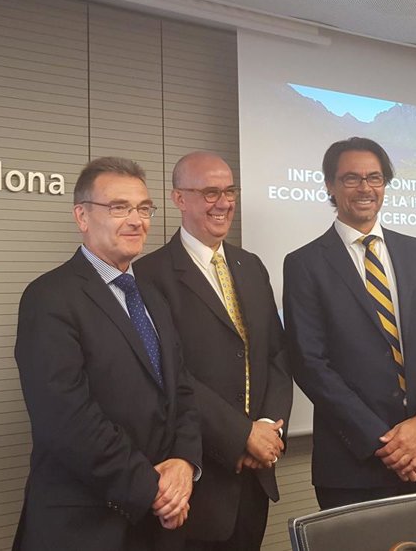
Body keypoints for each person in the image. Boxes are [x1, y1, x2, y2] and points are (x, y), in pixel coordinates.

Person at [13, 156, 201, 551]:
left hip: (160, 523)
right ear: (82, 216)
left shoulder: (153, 296)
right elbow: (66, 418)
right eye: (119, 208)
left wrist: (184, 463)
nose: (136, 220)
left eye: (144, 208)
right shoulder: (49, 298)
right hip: (86, 525)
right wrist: (153, 488)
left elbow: (181, 390)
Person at [282, 137, 416, 511]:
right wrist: (389, 444)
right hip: (356, 464)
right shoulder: (304, 264)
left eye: (375, 177)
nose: (365, 188)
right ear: (330, 185)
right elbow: (310, 364)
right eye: (351, 178)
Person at [137, 151, 293, 551]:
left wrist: (267, 430)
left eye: (229, 191)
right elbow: (167, 374)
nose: (223, 203)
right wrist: (241, 437)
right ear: (178, 198)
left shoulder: (251, 265)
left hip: (255, 479)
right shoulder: (148, 275)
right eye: (210, 192)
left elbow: (276, 356)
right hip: (200, 483)